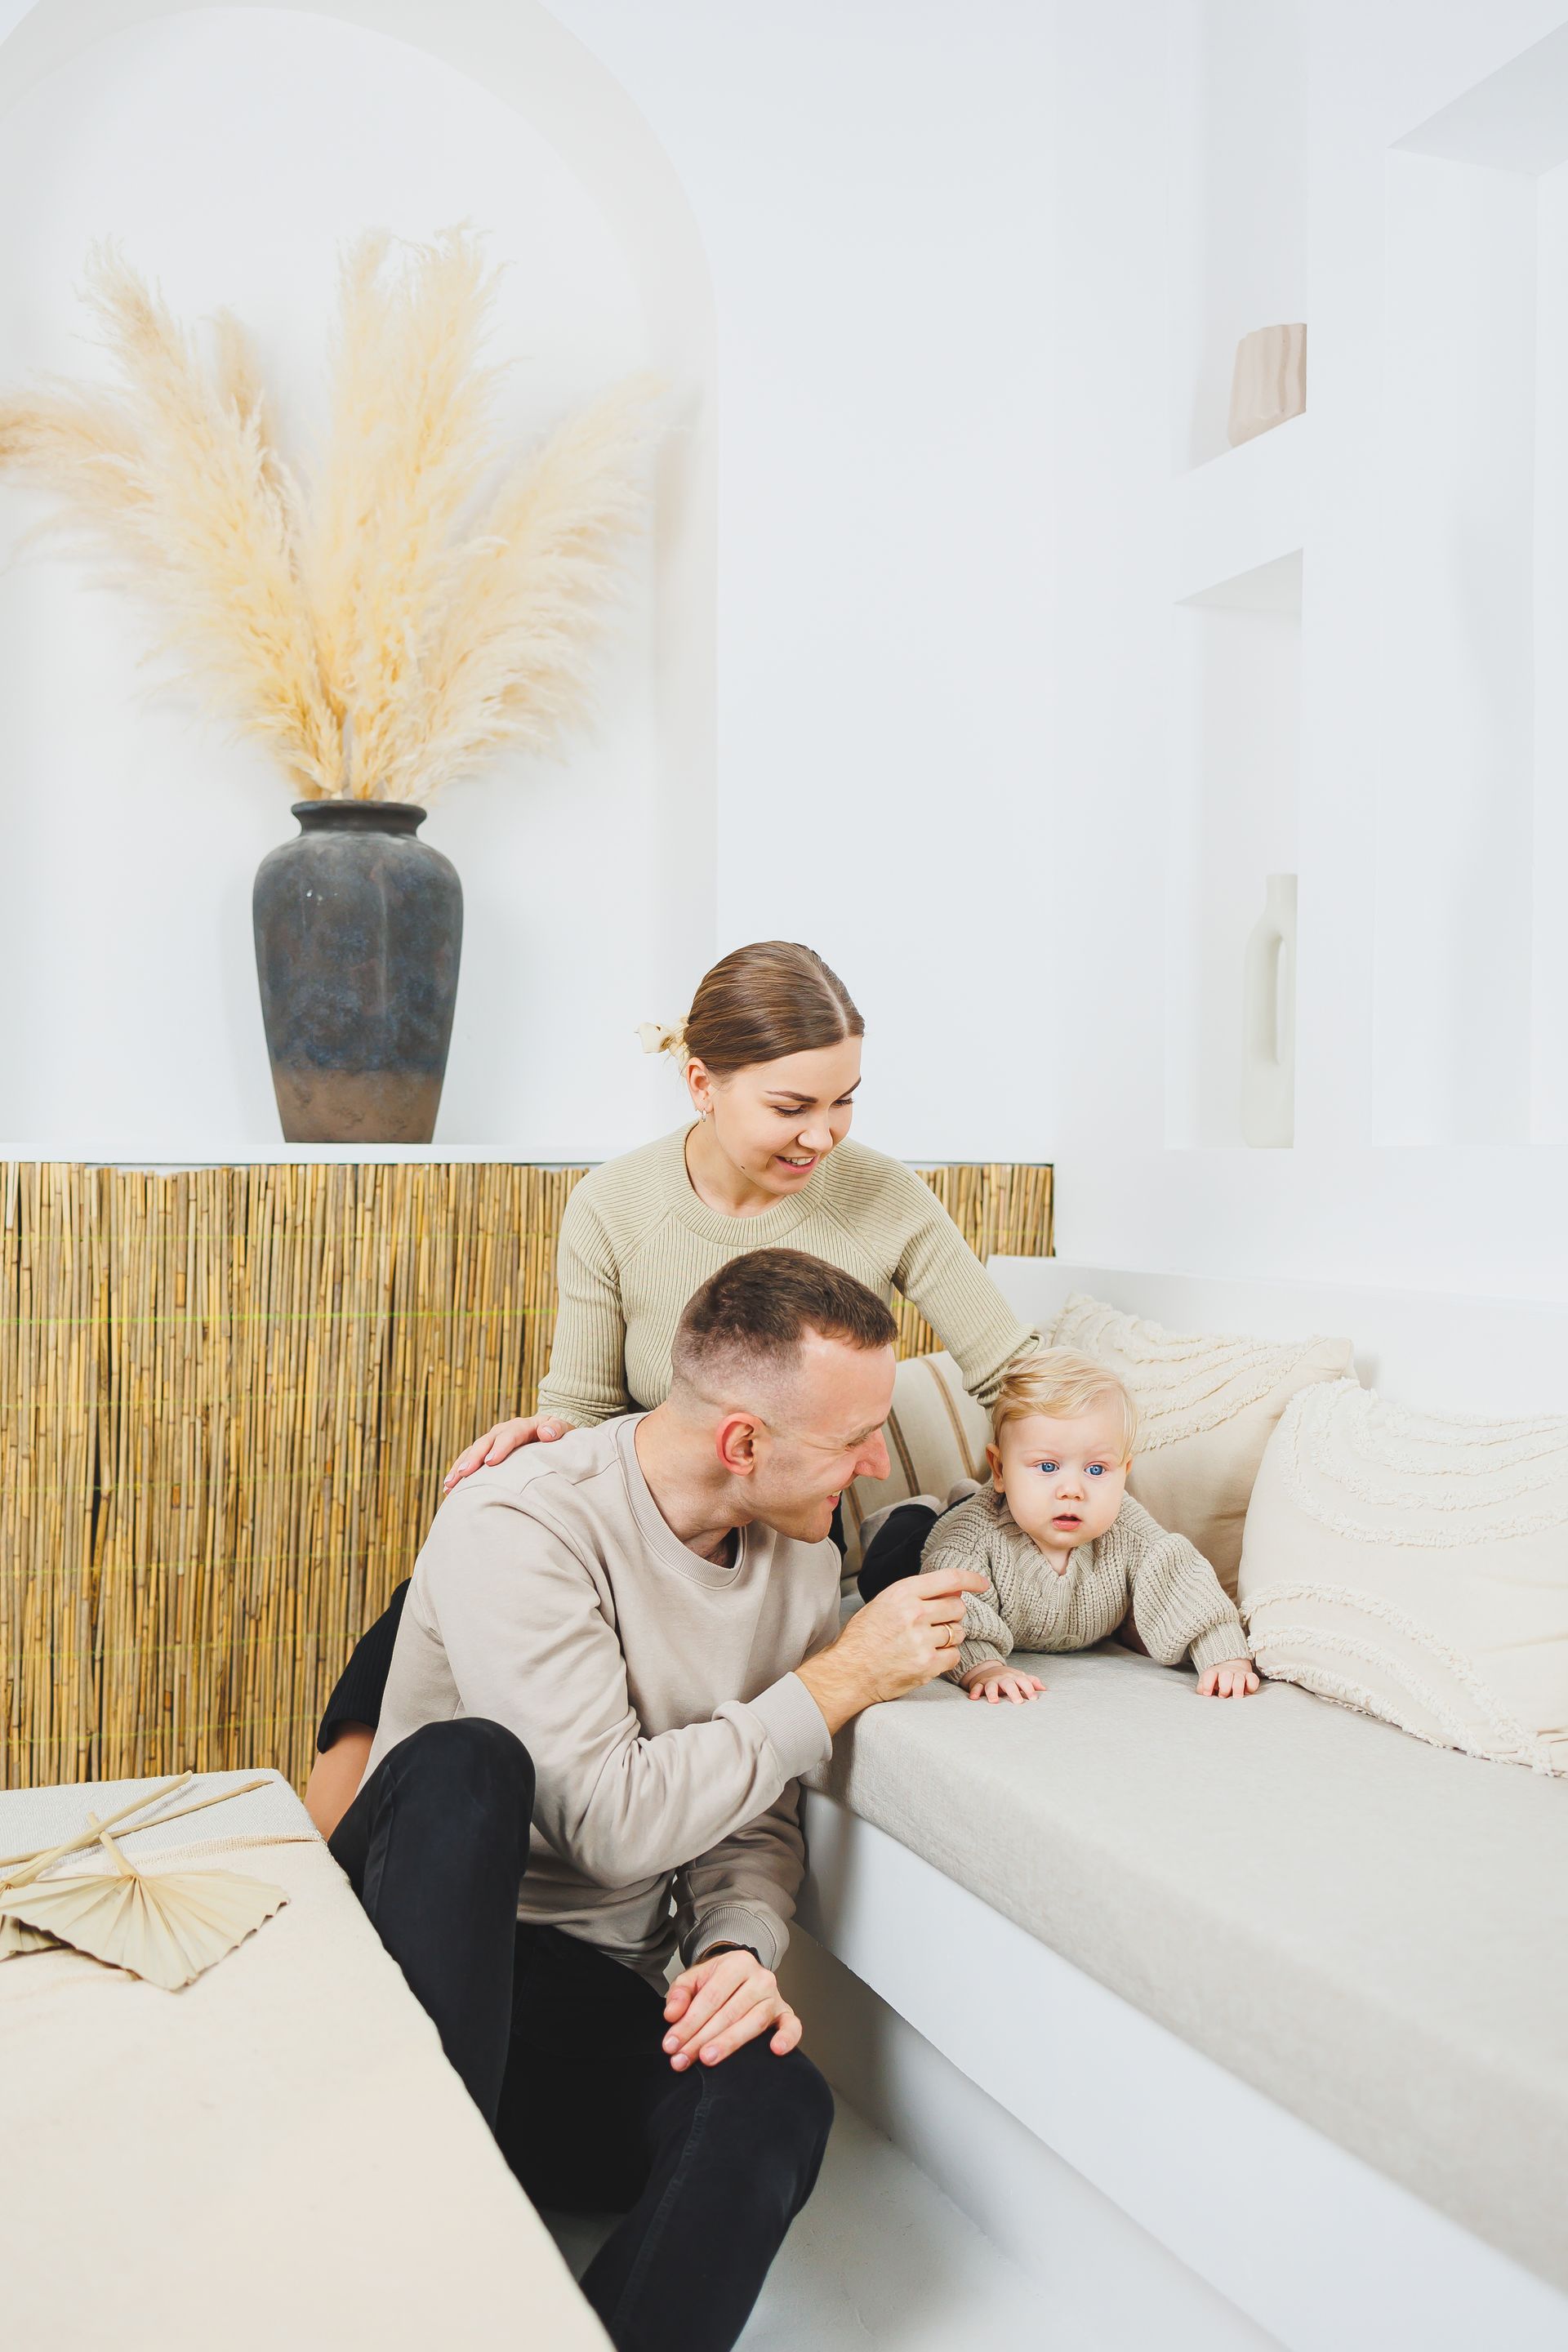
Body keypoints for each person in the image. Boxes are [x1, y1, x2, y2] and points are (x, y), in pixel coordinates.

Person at [327, 1250, 987, 2352]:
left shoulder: (797, 1551)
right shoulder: (521, 1523)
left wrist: (736, 1943)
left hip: (579, 2006)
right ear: (742, 1442)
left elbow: (756, 1800)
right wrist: (837, 1681)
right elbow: (613, 1821)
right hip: (413, 1981)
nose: (876, 1461)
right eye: (852, 1437)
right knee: (470, 1765)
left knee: (780, 2103)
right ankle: (421, 2255)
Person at [306, 938, 1039, 1831]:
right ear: (701, 1084)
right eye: (791, 1105)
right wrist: (533, 1450)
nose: (825, 1134)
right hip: (665, 1531)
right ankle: (330, 1855)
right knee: (448, 1573)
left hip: (804, 1535)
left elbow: (1015, 1372)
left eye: (844, 1101)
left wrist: (1088, 1496)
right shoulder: (616, 1205)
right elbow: (580, 1408)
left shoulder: (885, 1197)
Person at [856, 1348, 1258, 1703]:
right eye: (1047, 1467)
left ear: (1124, 1472)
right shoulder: (970, 1542)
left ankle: (963, 1493)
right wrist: (985, 1669)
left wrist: (1223, 1654)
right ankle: (914, 1512)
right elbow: (957, 1610)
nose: (1072, 1490)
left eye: (1097, 1469)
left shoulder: (1127, 1529)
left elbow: (1180, 1582)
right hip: (919, 1548)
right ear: (999, 1468)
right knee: (884, 1573)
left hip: (1001, 1500)